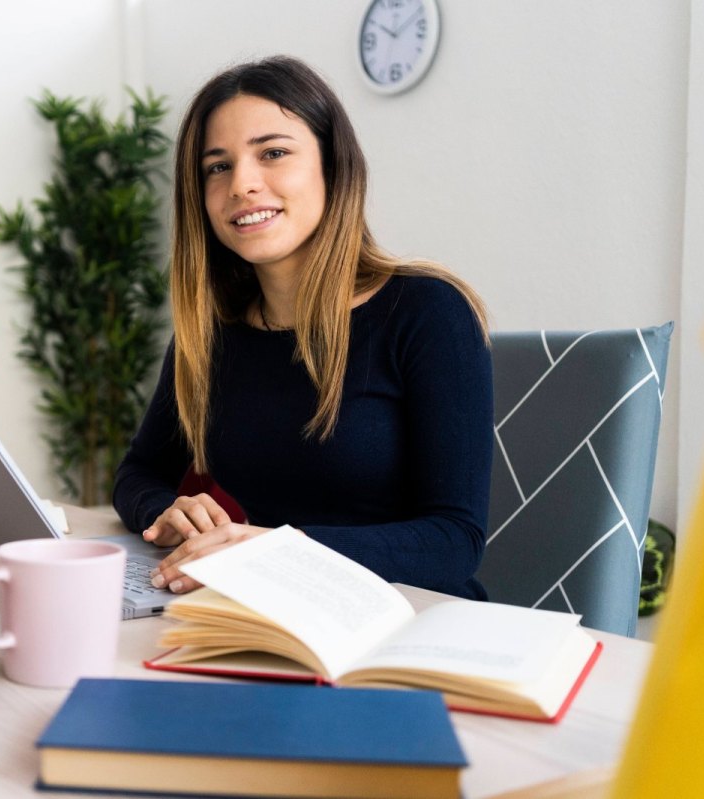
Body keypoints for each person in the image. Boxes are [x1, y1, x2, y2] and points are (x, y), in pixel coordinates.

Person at [111, 55, 494, 600]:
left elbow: (455, 540)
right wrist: (168, 510)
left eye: (273, 153)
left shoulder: (428, 311)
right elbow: (137, 473)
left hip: (409, 616)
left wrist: (275, 550)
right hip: (270, 609)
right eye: (216, 166)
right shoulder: (212, 332)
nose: (242, 183)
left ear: (333, 167)